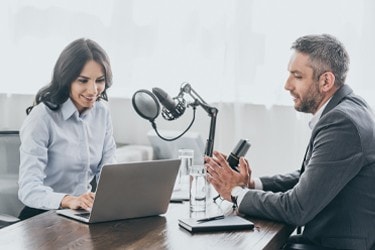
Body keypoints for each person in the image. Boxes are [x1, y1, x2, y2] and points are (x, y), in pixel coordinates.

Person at [205, 34, 375, 250]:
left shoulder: (341, 122)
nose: (287, 85)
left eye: (297, 76)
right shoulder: (350, 107)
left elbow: (297, 208)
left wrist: (235, 193)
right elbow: (310, 176)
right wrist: (253, 184)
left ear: (326, 81)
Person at [18, 38, 117, 220]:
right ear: (66, 79)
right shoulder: (42, 117)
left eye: (100, 81)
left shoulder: (102, 113)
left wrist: (110, 196)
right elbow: (28, 189)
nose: (93, 90)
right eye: (83, 81)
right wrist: (68, 200)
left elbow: (109, 170)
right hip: (41, 217)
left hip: (81, 215)